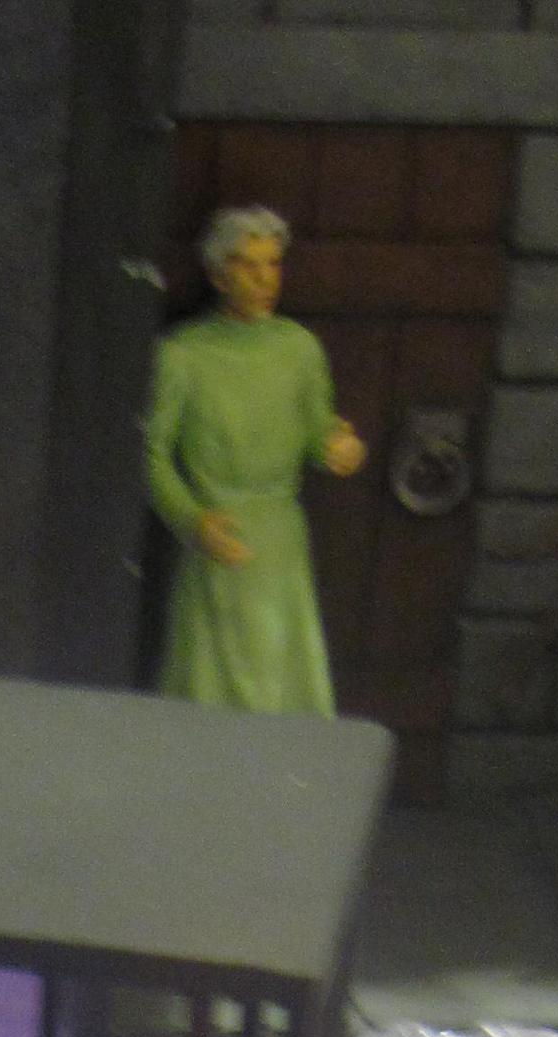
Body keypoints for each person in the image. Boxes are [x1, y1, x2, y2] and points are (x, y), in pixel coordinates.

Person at [144, 207, 366, 715]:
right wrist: (192, 519)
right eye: (248, 265)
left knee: (283, 680)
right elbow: (152, 453)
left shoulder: (299, 349)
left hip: (281, 541)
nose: (265, 279)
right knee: (210, 684)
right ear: (218, 275)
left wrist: (340, 447)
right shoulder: (183, 354)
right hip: (219, 540)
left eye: (273, 264)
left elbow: (319, 429)